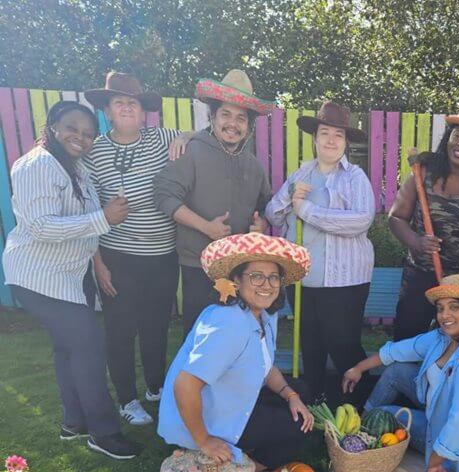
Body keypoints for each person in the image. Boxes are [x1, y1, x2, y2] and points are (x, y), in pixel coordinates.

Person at [1, 101, 141, 459]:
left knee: (68, 349)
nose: (80, 138)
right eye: (72, 129)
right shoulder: (36, 164)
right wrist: (104, 218)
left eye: (87, 134)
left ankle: (74, 424)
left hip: (64, 276)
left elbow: (86, 219)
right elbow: (41, 225)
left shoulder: (74, 167)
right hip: (38, 276)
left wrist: (100, 239)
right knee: (89, 346)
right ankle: (103, 432)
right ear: (52, 127)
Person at [83, 71, 192, 425]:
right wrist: (98, 263)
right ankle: (127, 400)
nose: (127, 108)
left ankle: (156, 387)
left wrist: (186, 137)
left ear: (143, 111)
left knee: (156, 324)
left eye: (133, 102)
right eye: (119, 103)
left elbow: (203, 137)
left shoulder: (163, 139)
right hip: (117, 255)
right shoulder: (94, 150)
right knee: (120, 327)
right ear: (108, 111)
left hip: (163, 255)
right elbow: (87, 209)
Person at [158, 232, 315, 469]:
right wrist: (204, 440)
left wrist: (291, 397)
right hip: (209, 417)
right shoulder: (228, 324)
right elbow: (185, 384)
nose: (267, 285)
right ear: (237, 280)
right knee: (298, 428)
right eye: (256, 277)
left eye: (274, 277)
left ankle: (242, 461)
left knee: (301, 391)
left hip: (231, 398)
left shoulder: (265, 313)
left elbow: (265, 364)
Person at [342, 274, 459, 472]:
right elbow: (399, 351)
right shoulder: (444, 336)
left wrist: (435, 463)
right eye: (440, 308)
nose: (444, 315)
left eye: (454, 307)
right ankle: (357, 428)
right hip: (437, 406)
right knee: (396, 371)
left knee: (382, 414)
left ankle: (364, 430)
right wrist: (358, 368)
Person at [265, 101, 375, 402]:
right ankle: (313, 402)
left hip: (345, 281)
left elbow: (362, 220)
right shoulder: (300, 174)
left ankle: (360, 403)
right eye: (324, 133)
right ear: (314, 138)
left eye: (337, 135)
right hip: (304, 278)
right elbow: (273, 214)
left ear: (345, 142)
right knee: (310, 344)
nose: (330, 140)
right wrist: (290, 196)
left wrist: (308, 210)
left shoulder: (355, 177)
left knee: (343, 345)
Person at [154, 69, 274, 337]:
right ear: (213, 116)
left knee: (234, 334)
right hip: (198, 266)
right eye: (226, 115)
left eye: (241, 118)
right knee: (200, 335)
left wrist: (261, 223)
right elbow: (164, 195)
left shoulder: (254, 166)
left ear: (249, 125)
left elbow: (265, 206)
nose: (233, 124)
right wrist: (205, 227)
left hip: (239, 267)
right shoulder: (191, 151)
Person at [388, 103, 459, 341]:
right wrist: (417, 242)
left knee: (452, 346)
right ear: (448, 137)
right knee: (407, 339)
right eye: (457, 136)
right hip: (419, 277)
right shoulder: (422, 173)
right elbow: (396, 217)